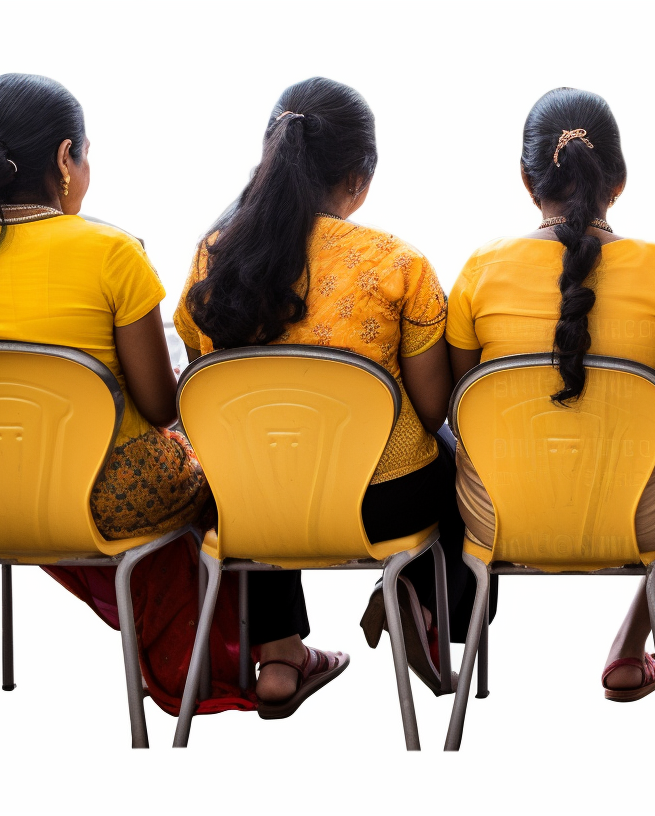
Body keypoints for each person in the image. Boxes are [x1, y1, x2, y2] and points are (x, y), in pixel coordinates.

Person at [0, 74, 230, 711]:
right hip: (102, 503)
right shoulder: (111, 251)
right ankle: (237, 657)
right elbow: (163, 407)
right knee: (222, 461)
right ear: (64, 158)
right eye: (86, 153)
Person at [174, 77, 472, 710]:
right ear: (359, 182)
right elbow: (430, 406)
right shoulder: (399, 265)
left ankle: (279, 657)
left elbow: (207, 395)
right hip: (383, 507)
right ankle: (423, 607)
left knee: (263, 454)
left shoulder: (213, 258)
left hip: (255, 507)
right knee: (456, 457)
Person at [445, 87, 655, 701]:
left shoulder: (480, 268)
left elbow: (460, 406)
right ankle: (629, 647)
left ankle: (445, 631)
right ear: (618, 180)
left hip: (499, 517)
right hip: (637, 517)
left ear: (525, 178)